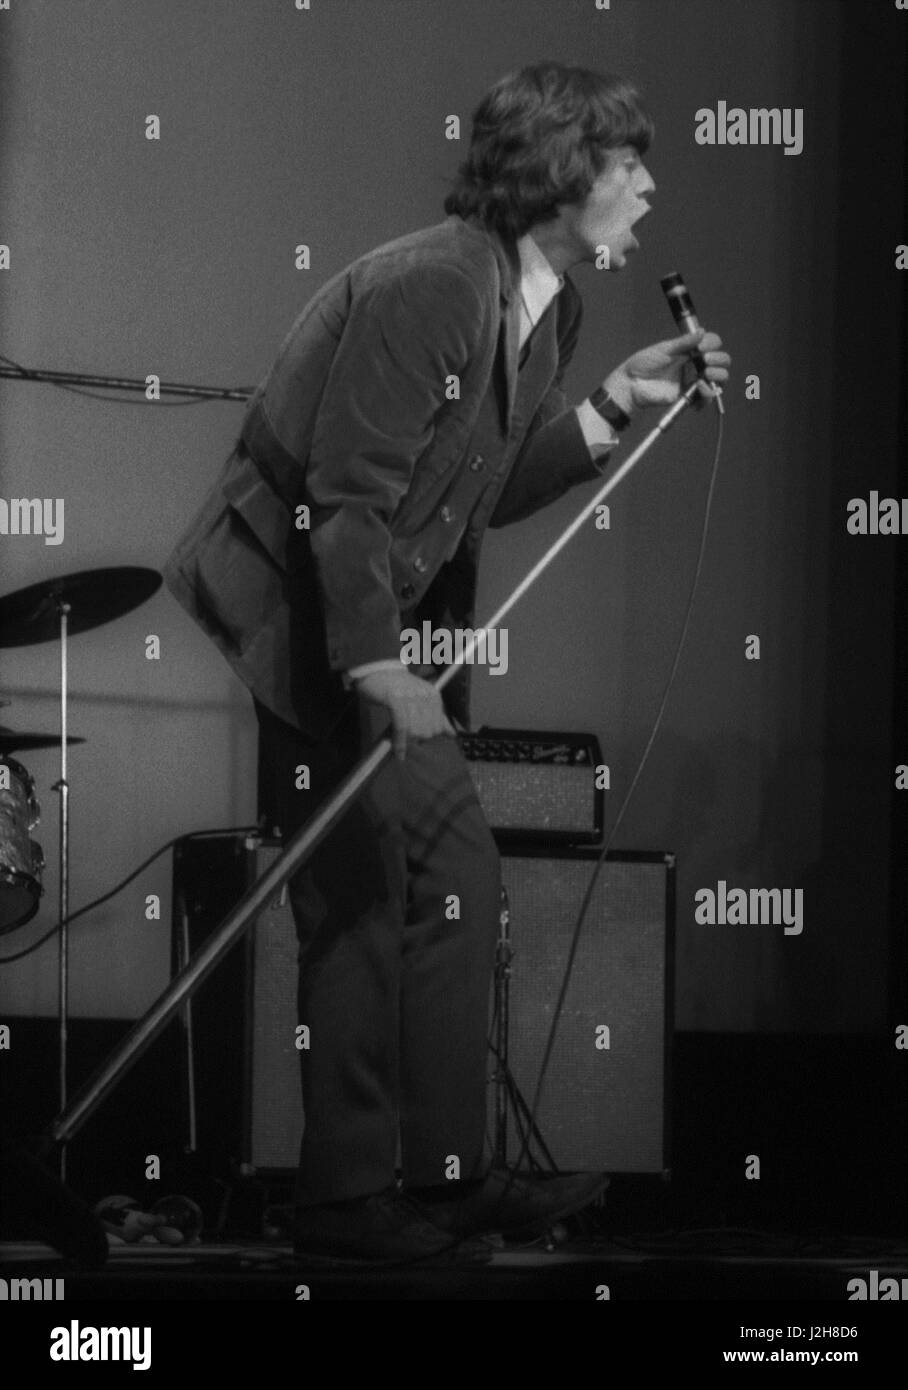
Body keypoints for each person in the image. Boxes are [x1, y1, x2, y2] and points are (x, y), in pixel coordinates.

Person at [165, 61, 730, 1263]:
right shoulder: (436, 284)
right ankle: (352, 1199)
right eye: (625, 162)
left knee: (448, 881)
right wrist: (376, 667)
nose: (646, 184)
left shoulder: (549, 310)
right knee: (362, 898)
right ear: (560, 171)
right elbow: (348, 498)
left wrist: (612, 411)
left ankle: (425, 1178)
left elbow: (472, 491)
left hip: (365, 617)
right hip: (299, 607)